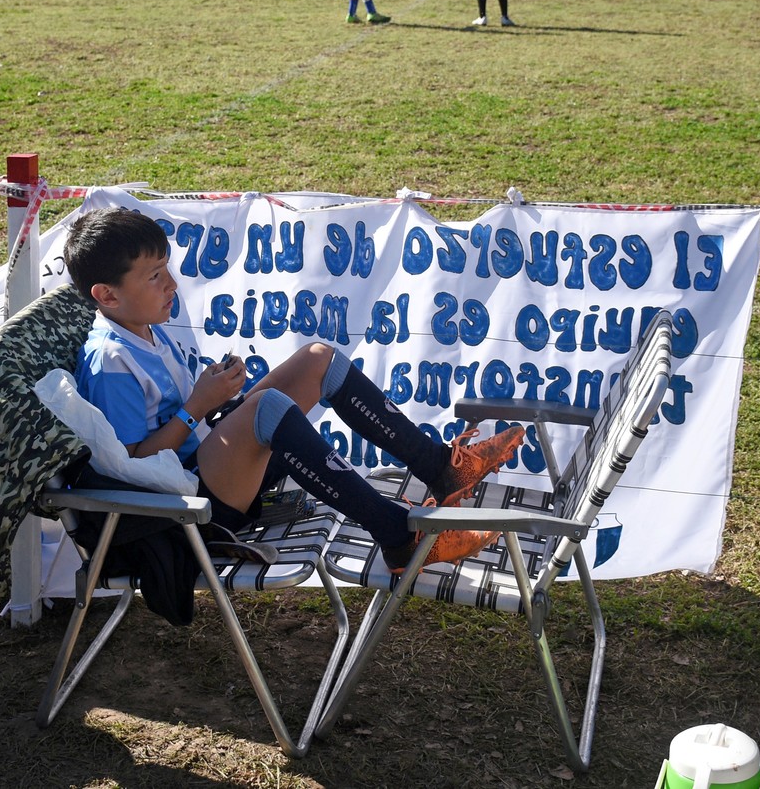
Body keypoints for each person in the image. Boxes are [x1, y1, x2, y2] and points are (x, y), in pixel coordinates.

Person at [64, 208, 523, 574]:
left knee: (317, 359)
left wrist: (213, 399)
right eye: (155, 276)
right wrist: (197, 406)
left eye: (167, 269)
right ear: (107, 295)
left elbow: (182, 421)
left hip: (201, 472)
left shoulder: (143, 329)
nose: (172, 284)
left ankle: (440, 468)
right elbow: (131, 467)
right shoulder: (111, 360)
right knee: (267, 407)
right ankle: (400, 537)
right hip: (181, 512)